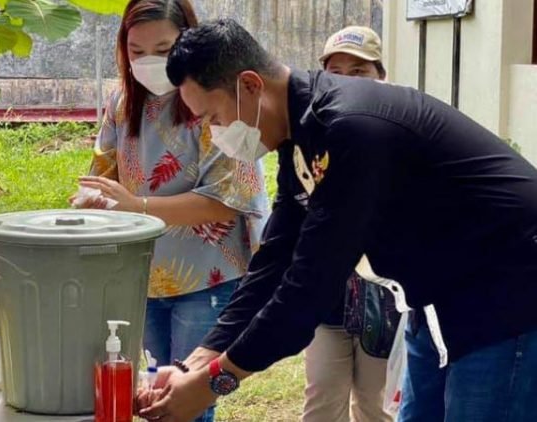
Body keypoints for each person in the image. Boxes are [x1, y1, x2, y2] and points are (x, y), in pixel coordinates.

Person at [138, 19, 537, 422]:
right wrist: (197, 362)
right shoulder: (300, 134)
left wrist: (214, 383)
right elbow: (276, 258)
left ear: (250, 85)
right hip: (439, 296)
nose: (215, 132)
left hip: (508, 292)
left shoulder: (350, 128)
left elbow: (311, 285)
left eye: (214, 116)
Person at [72, 5, 269, 422]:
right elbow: (102, 175)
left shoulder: (214, 100)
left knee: (189, 400)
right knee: (152, 393)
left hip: (207, 276)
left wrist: (137, 206)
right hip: (140, 274)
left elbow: (228, 197)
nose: (149, 63)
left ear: (187, 41)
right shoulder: (122, 103)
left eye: (163, 50)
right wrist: (91, 200)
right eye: (136, 51)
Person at [297, 26, 398, 422]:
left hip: (384, 301)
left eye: (359, 72)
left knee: (378, 406)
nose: (346, 82)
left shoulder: (400, 131)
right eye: (335, 72)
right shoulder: (312, 135)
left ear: (381, 76)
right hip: (327, 298)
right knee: (322, 402)